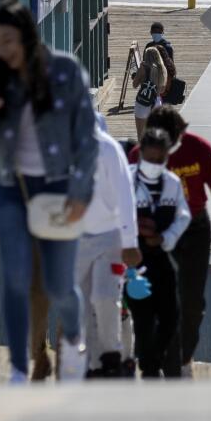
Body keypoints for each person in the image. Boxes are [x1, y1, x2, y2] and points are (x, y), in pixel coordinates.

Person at [0, 0, 98, 384]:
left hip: (58, 187)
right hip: (11, 188)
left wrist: (79, 192)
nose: (3, 50)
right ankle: (19, 367)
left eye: (8, 40)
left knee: (58, 286)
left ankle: (73, 342)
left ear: (26, 34)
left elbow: (87, 139)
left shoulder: (64, 71)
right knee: (16, 279)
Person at [133, 104, 211, 377]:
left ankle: (184, 358)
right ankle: (167, 363)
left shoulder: (200, 149)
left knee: (192, 303)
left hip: (195, 229)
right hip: (156, 229)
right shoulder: (140, 157)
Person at [124, 128, 193, 379]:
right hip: (134, 259)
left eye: (159, 160)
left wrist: (166, 238)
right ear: (140, 154)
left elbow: (183, 215)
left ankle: (155, 356)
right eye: (149, 158)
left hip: (161, 255)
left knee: (170, 315)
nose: (153, 164)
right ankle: (149, 369)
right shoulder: (127, 181)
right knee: (142, 318)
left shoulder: (172, 184)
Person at [75, 120, 138, 378]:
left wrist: (130, 241)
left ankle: (112, 354)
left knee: (104, 296)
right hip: (76, 238)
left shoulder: (109, 149)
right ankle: (92, 362)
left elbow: (125, 195)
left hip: (109, 236)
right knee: (81, 303)